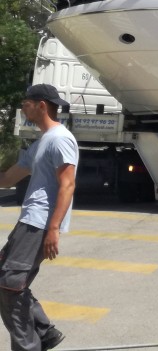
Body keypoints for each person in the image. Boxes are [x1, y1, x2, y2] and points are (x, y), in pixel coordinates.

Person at [0, 84, 79, 350]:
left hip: (39, 223)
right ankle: (45, 332)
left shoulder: (60, 138)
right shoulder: (42, 142)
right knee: (5, 278)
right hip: (29, 221)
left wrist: (53, 228)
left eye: (26, 103)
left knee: (10, 287)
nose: (23, 107)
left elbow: (68, 184)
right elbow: (9, 177)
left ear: (41, 105)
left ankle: (29, 346)